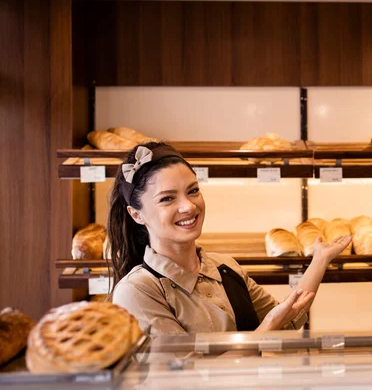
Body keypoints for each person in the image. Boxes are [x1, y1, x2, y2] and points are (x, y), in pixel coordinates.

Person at [108, 142, 351, 336]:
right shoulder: (138, 290)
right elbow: (181, 376)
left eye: (193, 191)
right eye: (167, 199)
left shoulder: (225, 267)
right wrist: (266, 328)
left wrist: (320, 259)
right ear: (137, 214)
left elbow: (288, 320)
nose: (188, 206)